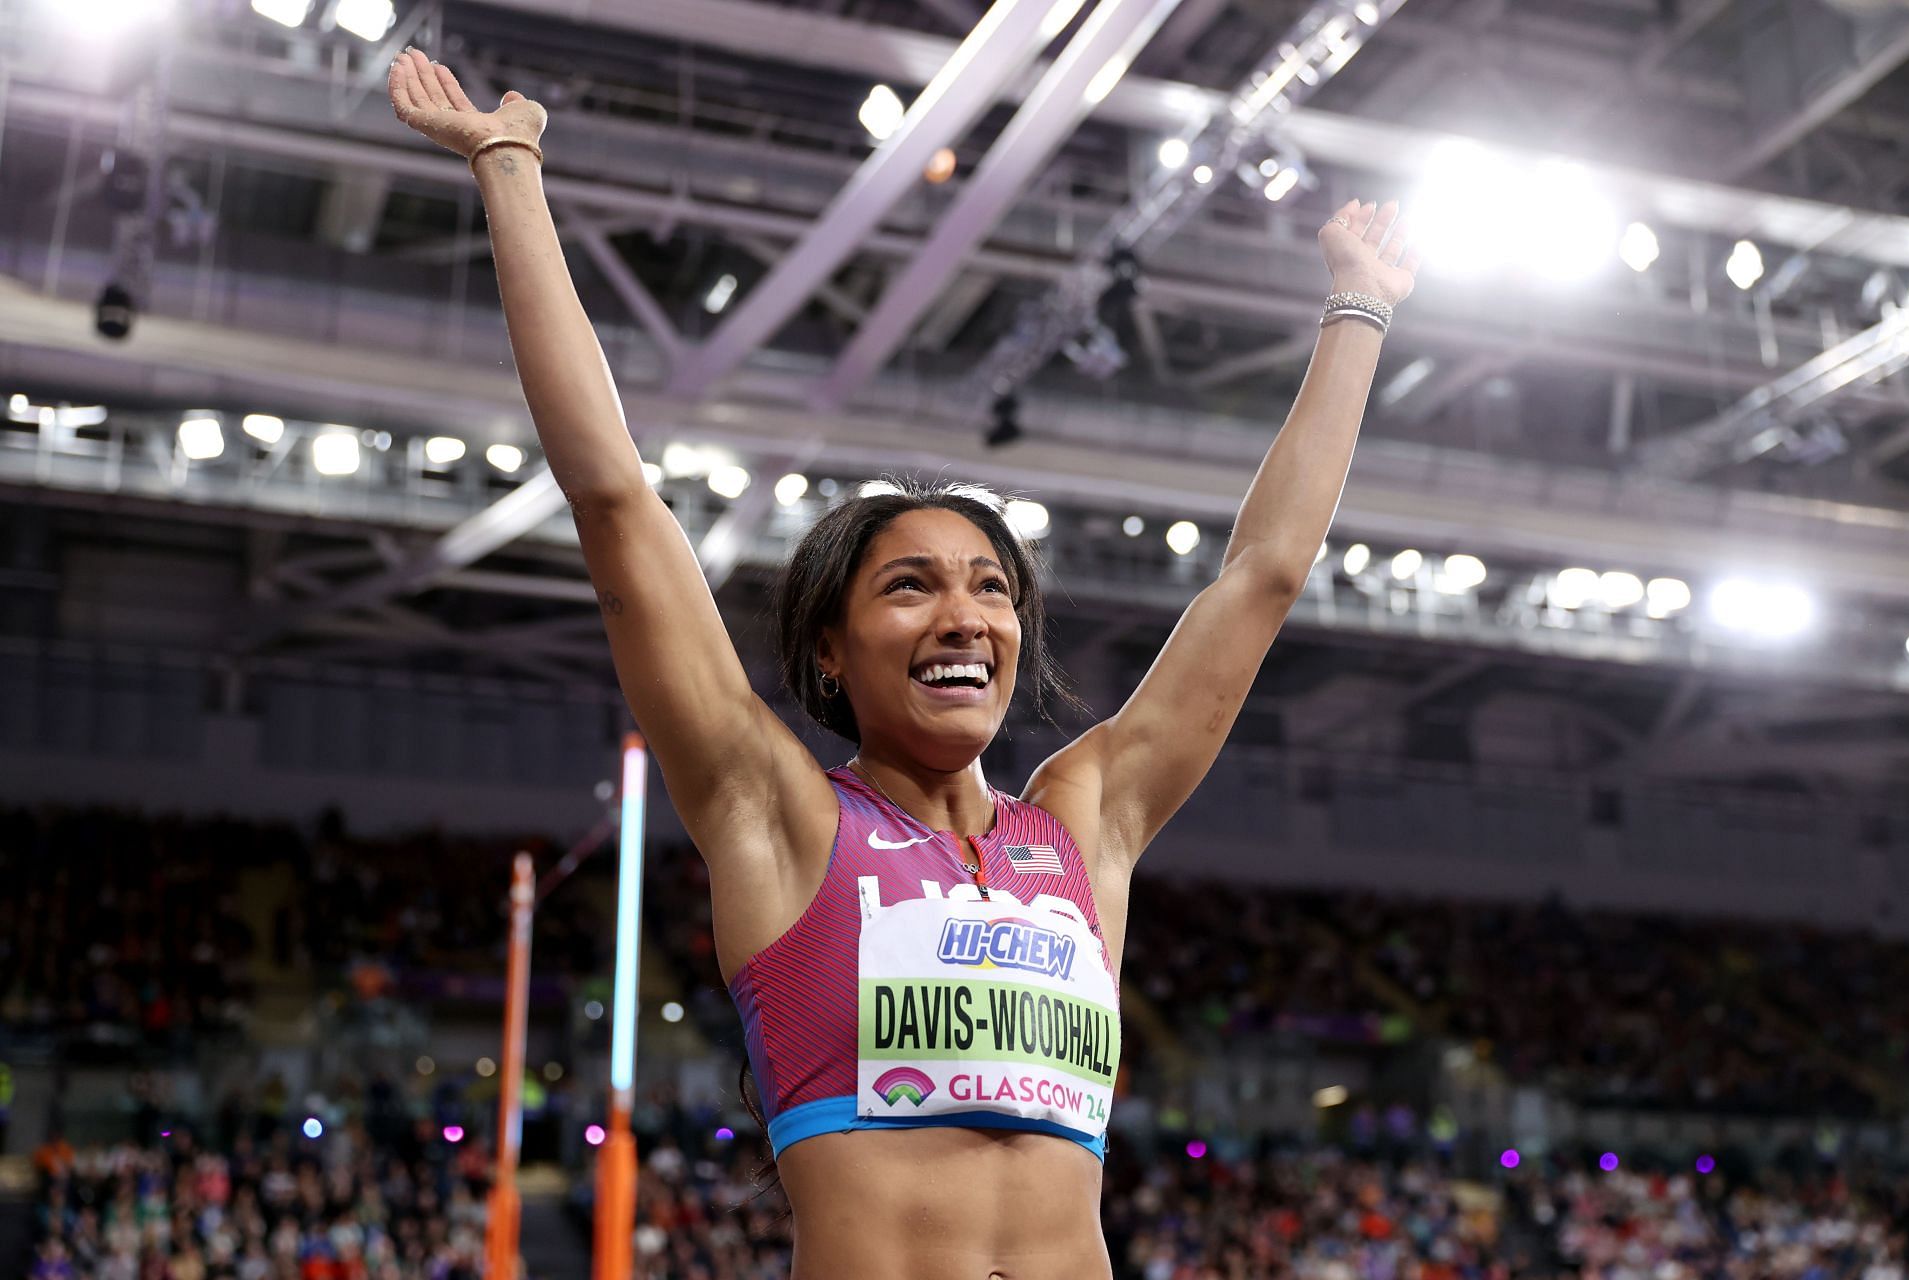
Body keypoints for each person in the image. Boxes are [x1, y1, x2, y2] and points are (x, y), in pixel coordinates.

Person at [388, 46, 1417, 1280]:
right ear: (829, 644)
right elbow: (615, 501)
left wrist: (1359, 307)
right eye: (910, 585)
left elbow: (1260, 578)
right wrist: (509, 170)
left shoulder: (1085, 828)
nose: (965, 615)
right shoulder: (775, 812)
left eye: (992, 587)